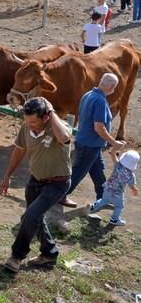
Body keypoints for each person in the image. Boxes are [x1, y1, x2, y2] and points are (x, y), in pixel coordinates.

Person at [0, 97, 72, 273]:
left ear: (45, 117)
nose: (29, 124)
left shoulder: (58, 127)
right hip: (35, 180)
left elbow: (64, 138)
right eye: (27, 121)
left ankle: (16, 256)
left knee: (30, 216)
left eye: (33, 121)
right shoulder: (27, 127)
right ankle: (49, 253)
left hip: (57, 183)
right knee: (35, 217)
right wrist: (7, 175)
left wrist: (51, 110)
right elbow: (19, 150)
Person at [59, 73, 126, 208]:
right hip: (90, 144)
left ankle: (103, 197)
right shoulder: (100, 101)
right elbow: (99, 127)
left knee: (98, 170)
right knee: (78, 172)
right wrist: (114, 143)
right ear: (112, 87)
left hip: (88, 142)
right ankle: (60, 195)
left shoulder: (89, 94)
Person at [89, 150, 139, 226]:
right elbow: (131, 186)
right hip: (117, 194)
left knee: (104, 200)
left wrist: (114, 152)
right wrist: (135, 190)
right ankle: (114, 219)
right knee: (119, 206)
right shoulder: (131, 176)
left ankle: (93, 207)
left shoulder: (118, 165)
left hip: (108, 188)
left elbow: (113, 157)